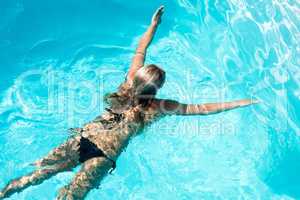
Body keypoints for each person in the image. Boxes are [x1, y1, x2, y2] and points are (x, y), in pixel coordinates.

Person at [0, 6, 258, 200]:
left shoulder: (127, 82)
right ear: (156, 89)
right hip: (103, 157)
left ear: (138, 76)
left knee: (34, 176)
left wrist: (153, 25)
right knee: (69, 197)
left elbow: (140, 51)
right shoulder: (157, 107)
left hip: (83, 139)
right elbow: (201, 110)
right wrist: (240, 102)